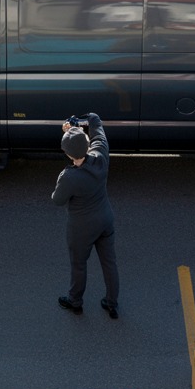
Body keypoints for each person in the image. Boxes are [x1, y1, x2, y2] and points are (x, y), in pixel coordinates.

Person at [52, 113, 119, 319]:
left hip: (81, 228)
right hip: (105, 219)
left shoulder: (70, 176)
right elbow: (98, 132)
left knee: (79, 265)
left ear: (68, 154)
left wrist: (72, 134)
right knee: (109, 263)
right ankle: (111, 302)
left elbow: (57, 199)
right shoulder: (101, 156)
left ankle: (75, 301)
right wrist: (89, 120)